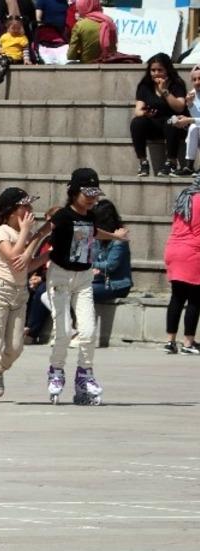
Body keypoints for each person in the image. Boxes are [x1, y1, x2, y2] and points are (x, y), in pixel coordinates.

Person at [43, 168, 128, 405]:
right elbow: (43, 235)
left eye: (94, 193)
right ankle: (56, 370)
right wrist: (26, 256)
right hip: (60, 276)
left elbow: (92, 232)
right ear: (73, 191)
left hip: (83, 278)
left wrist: (114, 237)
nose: (92, 198)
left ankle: (84, 375)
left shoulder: (90, 216)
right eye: (86, 193)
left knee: (88, 331)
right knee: (63, 331)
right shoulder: (62, 216)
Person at [0, 187, 51, 404]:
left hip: (19, 293)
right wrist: (28, 232)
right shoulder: (1, 232)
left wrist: (47, 253)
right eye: (25, 206)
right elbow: (14, 257)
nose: (30, 210)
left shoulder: (26, 234)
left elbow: (26, 264)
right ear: (13, 210)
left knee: (16, 347)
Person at [161, 173, 200, 354]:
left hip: (173, 249)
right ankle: (188, 343)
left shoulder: (184, 196)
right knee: (195, 298)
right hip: (192, 252)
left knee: (177, 297)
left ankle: (170, 342)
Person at [131, 54, 187, 177]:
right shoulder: (145, 86)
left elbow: (180, 107)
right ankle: (143, 162)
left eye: (160, 70)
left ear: (167, 70)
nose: (156, 73)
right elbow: (138, 110)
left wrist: (164, 92)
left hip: (175, 127)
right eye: (153, 70)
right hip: (154, 124)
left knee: (172, 121)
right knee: (137, 122)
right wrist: (145, 113)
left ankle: (171, 162)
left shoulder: (176, 84)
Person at [90, 199, 132, 304]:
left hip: (116, 285)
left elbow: (110, 265)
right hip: (99, 281)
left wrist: (90, 264)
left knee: (83, 293)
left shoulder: (119, 240)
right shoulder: (97, 238)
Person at [168, 65, 200, 177]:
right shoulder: (193, 94)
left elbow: (193, 119)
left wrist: (188, 120)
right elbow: (196, 118)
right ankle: (189, 166)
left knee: (192, 125)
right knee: (192, 128)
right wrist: (190, 105)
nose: (197, 82)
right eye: (194, 79)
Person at [68, 0, 117, 65]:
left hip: (87, 65)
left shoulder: (80, 25)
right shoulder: (109, 22)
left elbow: (71, 55)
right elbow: (113, 47)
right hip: (108, 63)